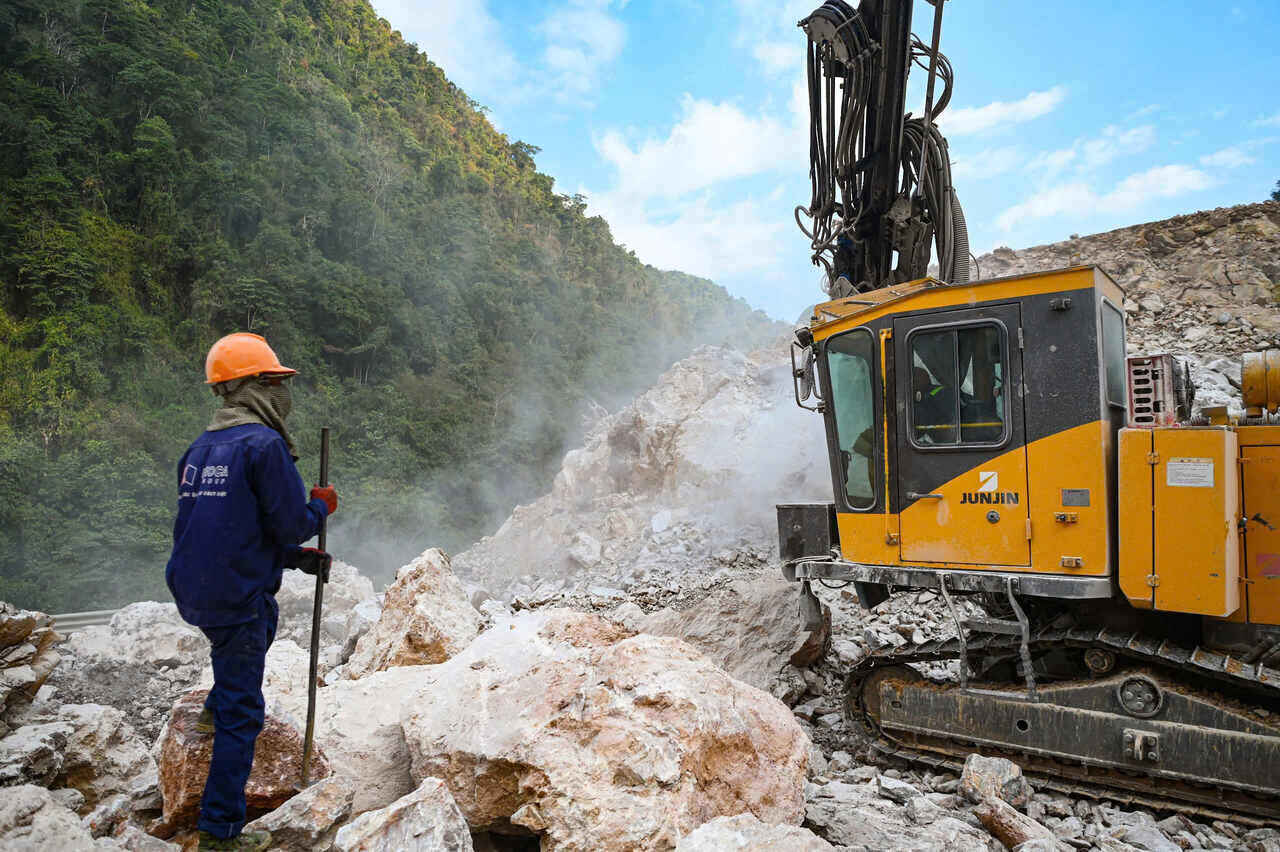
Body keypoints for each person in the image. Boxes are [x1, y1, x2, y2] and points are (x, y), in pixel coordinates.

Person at [166, 332, 338, 852]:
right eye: (277, 382)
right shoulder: (262, 446)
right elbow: (288, 523)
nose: (285, 394)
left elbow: (227, 528)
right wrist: (320, 509)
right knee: (247, 714)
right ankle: (220, 833)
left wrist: (294, 561)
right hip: (236, 594)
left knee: (252, 632)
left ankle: (215, 704)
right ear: (256, 387)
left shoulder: (200, 448)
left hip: (198, 588)